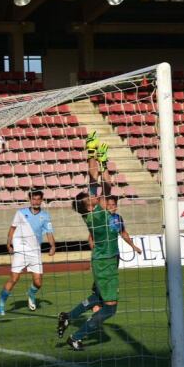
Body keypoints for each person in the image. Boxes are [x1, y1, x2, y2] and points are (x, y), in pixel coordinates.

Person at [57, 140, 124, 351]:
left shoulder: (93, 211)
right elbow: (101, 184)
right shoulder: (95, 214)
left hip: (106, 260)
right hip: (105, 263)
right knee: (110, 309)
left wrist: (97, 157)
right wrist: (97, 158)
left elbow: (101, 184)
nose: (92, 196)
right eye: (89, 198)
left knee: (98, 297)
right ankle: (77, 337)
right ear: (87, 204)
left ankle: (69, 316)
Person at [0, 190, 56, 315]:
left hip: (35, 252)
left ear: (41, 200)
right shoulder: (20, 213)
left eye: (38, 199)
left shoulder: (45, 216)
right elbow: (12, 229)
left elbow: (49, 232)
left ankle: (31, 293)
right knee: (14, 278)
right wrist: (8, 243)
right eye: (34, 199)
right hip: (21, 251)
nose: (36, 201)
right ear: (30, 199)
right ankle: (1, 305)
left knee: (38, 283)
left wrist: (52, 246)